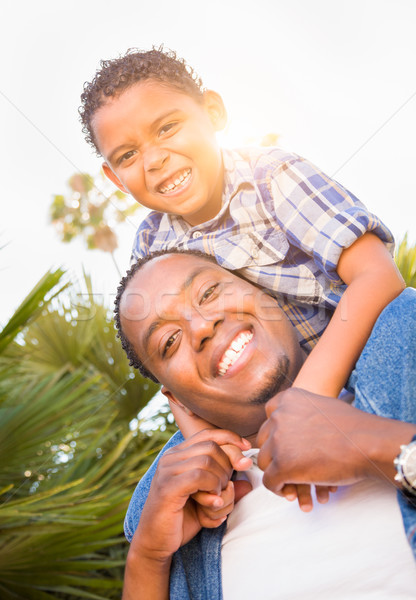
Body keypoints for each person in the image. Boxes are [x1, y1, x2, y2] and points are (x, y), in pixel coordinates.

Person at [79, 47, 405, 412]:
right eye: (127, 156)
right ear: (115, 178)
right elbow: (168, 367)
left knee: (406, 316)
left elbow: (378, 276)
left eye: (167, 128)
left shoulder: (271, 177)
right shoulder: (151, 243)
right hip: (261, 400)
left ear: (213, 113)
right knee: (177, 462)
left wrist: (308, 398)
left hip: (360, 358)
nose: (154, 161)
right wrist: (206, 441)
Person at [114, 249, 416, 599]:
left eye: (209, 292)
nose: (201, 326)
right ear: (178, 402)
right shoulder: (186, 526)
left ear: (268, 294)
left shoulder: (407, 342)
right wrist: (148, 558)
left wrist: (377, 446)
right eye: (169, 341)